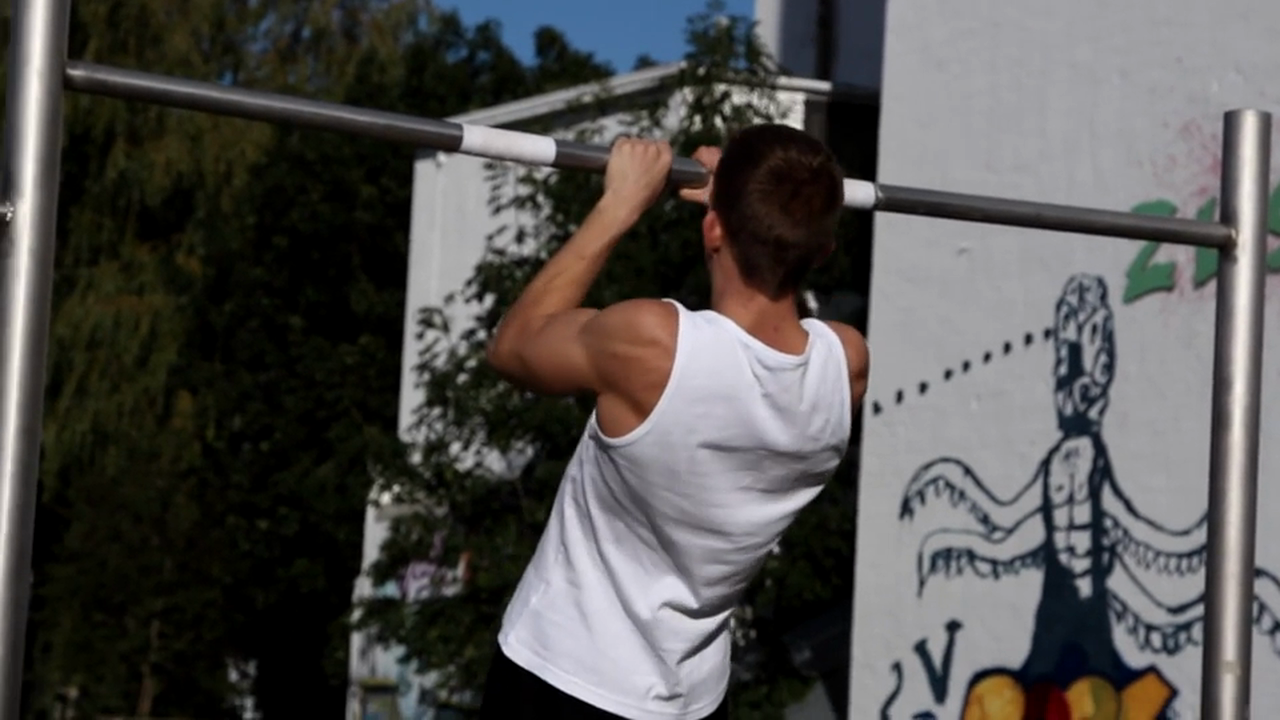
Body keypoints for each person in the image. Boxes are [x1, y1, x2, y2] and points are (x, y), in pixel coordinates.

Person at [480, 123, 870, 720]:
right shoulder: (845, 368)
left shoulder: (653, 346)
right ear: (823, 251)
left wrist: (618, 205)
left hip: (562, 680)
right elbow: (773, 326)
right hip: (691, 702)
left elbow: (512, 346)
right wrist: (747, 200)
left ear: (713, 227)